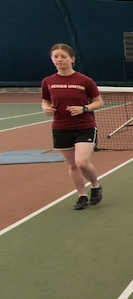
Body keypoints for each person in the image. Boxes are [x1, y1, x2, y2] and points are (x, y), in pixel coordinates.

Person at [41, 44, 104, 210]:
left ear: (72, 59)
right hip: (61, 127)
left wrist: (83, 108)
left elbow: (98, 101)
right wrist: (46, 108)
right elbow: (45, 100)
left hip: (84, 126)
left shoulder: (85, 81)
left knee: (82, 162)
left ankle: (95, 185)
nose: (59, 60)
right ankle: (82, 195)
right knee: (72, 165)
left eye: (63, 56)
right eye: (56, 57)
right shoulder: (48, 82)